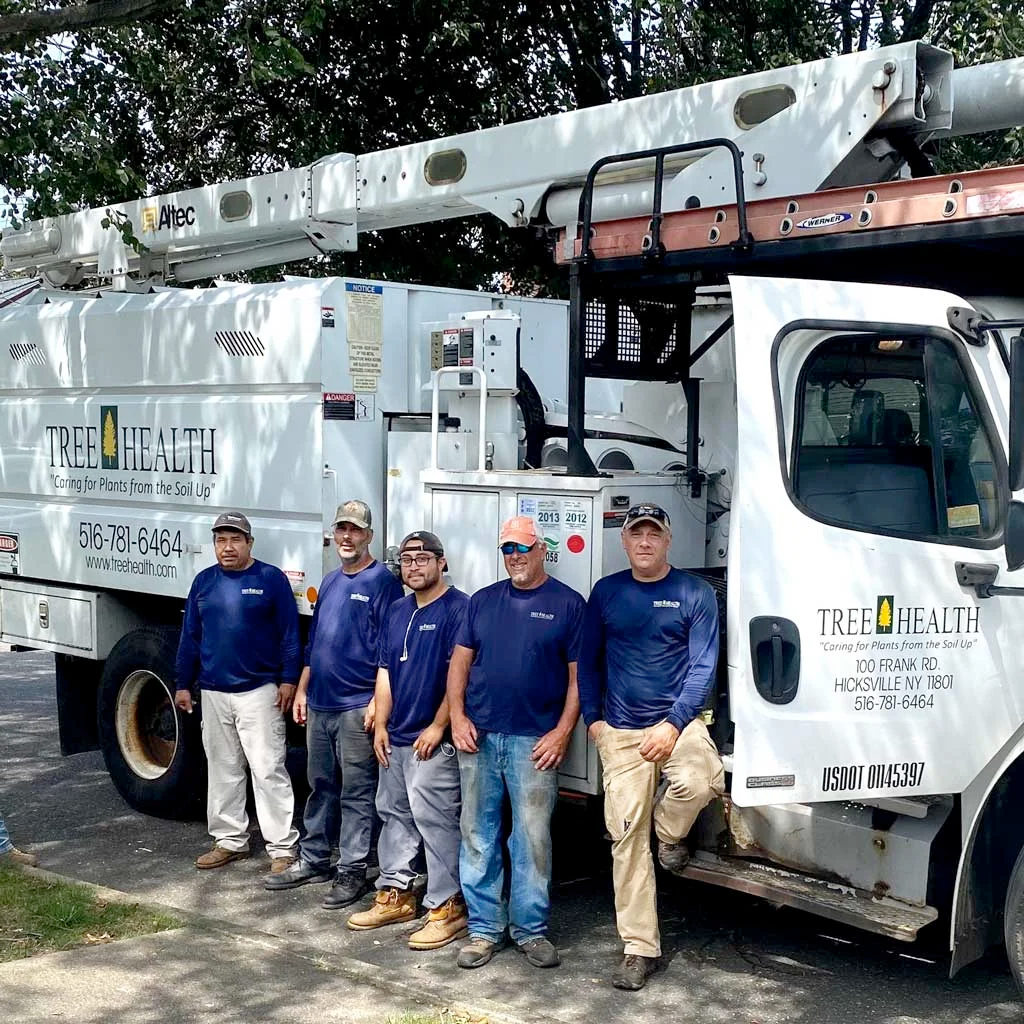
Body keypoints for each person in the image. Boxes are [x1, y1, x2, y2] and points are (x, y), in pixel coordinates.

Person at [579, 502, 725, 991]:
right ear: (624, 541)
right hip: (620, 733)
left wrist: (674, 722)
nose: (644, 542)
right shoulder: (607, 592)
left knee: (701, 781)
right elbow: (589, 659)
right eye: (636, 533)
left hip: (678, 725)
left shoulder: (694, 593)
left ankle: (668, 835)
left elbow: (703, 667)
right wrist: (594, 721)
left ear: (667, 541)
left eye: (653, 534)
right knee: (626, 842)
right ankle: (639, 948)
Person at [448, 515, 584, 971]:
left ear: (541, 549)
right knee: (478, 835)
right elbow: (459, 666)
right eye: (507, 549)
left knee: (530, 840)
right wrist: (457, 717)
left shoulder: (567, 604)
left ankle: (530, 930)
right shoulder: (483, 602)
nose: (515, 557)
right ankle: (484, 930)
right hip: (480, 736)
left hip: (535, 742)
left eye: (522, 548)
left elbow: (578, 678)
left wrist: (563, 731)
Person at [267, 500, 403, 908]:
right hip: (322, 703)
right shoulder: (329, 581)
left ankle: (353, 869)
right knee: (320, 784)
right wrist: (305, 687)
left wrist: (379, 704)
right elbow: (315, 644)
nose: (347, 537)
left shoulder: (383, 583)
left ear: (369, 537)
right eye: (341, 529)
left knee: (357, 791)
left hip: (357, 704)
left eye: (355, 530)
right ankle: (314, 859)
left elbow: (388, 651)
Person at [347, 530, 470, 949]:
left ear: (442, 562)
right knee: (394, 813)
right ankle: (397, 894)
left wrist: (439, 725)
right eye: (406, 558)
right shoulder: (398, 610)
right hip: (395, 736)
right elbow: (384, 672)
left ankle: (447, 905)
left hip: (432, 739)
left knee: (435, 820)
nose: (413, 565)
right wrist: (380, 725)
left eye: (422, 557)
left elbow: (460, 677)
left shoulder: (459, 608)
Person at [174, 511, 301, 872]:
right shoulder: (204, 582)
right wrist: (183, 683)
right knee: (223, 767)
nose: (227, 547)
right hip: (213, 691)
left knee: (267, 768)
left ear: (249, 543)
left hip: (259, 690)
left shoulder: (270, 579)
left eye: (235, 540)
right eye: (220, 540)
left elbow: (290, 634)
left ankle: (281, 847)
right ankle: (230, 840)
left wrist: (289, 679)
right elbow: (190, 638)